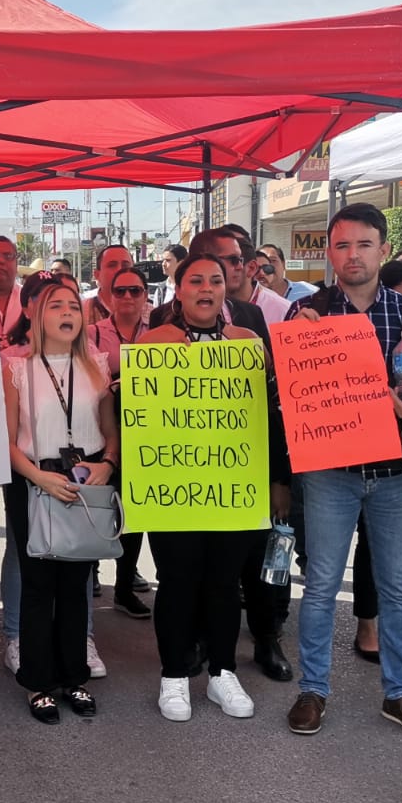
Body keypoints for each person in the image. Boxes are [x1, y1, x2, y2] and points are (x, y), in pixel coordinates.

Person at [283, 203, 402, 740]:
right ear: (329, 252)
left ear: (381, 250)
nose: (353, 255)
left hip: (396, 470)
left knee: (398, 587)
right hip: (330, 471)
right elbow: (285, 390)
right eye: (343, 245)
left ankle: (401, 693)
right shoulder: (307, 314)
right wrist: (296, 342)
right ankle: (314, 689)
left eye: (364, 244)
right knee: (323, 583)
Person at [138, 254, 291, 720]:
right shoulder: (154, 343)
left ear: (228, 288)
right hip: (173, 485)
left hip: (233, 484)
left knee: (225, 584)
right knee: (178, 581)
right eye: (196, 280)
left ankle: (222, 673)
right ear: (178, 289)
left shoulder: (248, 342)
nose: (206, 288)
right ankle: (174, 676)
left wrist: (275, 480)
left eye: (216, 280)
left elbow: (268, 417)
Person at [2, 277, 119, 723]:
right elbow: (8, 441)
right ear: (37, 315)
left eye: (74, 305)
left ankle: (75, 677)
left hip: (86, 476)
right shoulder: (16, 368)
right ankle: (38, 682)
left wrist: (108, 464)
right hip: (34, 478)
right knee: (37, 584)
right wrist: (39, 478)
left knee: (77, 583)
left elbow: (111, 432)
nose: (68, 313)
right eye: (56, 306)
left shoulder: (98, 366)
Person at [89, 263, 153, 618]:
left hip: (147, 434)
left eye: (135, 290)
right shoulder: (92, 334)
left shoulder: (161, 331)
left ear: (145, 295)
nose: (128, 297)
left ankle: (125, 587)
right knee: (100, 507)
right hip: (103, 434)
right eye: (120, 290)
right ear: (108, 296)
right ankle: (94, 573)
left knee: (135, 513)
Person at [86, 244, 133, 323]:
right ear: (97, 274)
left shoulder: (149, 313)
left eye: (125, 265)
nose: (119, 270)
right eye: (112, 265)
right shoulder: (82, 312)